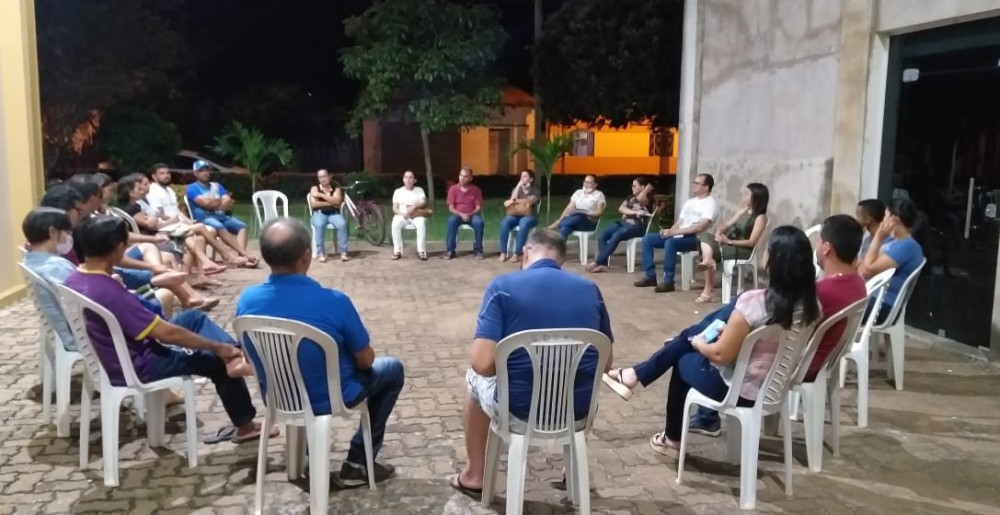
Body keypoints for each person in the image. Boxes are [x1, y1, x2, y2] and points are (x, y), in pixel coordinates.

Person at [604, 226, 821, 452]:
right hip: (774, 389)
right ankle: (637, 374)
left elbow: (720, 355)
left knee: (682, 356)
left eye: (767, 250)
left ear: (775, 262)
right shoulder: (813, 307)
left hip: (739, 391)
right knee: (690, 340)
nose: (764, 255)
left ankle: (671, 434)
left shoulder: (754, 302)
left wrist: (698, 343)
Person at [63, 215, 271, 443]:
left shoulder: (76, 278)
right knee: (216, 361)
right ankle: (245, 424)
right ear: (118, 247)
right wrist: (217, 347)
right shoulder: (108, 291)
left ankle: (236, 353)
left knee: (193, 317)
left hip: (118, 352)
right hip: (140, 363)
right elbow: (167, 333)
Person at [237, 218, 404, 487]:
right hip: (331, 399)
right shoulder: (334, 301)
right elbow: (365, 359)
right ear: (306, 256)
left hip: (279, 397)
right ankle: (358, 463)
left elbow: (250, 356)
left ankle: (300, 456)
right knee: (393, 369)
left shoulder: (247, 300)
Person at [449, 229, 614, 497]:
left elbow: (482, 364)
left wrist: (508, 366)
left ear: (526, 252)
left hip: (519, 411)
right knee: (578, 382)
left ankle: (475, 474)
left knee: (473, 379)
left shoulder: (502, 288)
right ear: (562, 260)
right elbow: (605, 364)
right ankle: (572, 471)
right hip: (576, 412)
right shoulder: (590, 290)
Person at [635, 173, 717, 293]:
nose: (693, 185)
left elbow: (700, 227)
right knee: (648, 239)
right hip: (679, 234)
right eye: (694, 183)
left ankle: (668, 281)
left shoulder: (711, 203)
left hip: (697, 239)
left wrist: (673, 234)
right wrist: (670, 231)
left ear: (706, 187)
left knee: (670, 243)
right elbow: (680, 221)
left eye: (697, 183)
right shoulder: (690, 202)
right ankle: (650, 276)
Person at [694, 183, 769, 303]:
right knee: (704, 236)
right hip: (729, 244)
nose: (743, 195)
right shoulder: (743, 210)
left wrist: (728, 241)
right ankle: (708, 262)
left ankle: (708, 289)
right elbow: (727, 225)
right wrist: (719, 232)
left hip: (743, 250)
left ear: (756, 197)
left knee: (707, 247)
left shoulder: (760, 217)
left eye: (747, 193)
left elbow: (751, 242)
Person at [858, 198, 925, 325]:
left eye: (885, 216)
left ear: (894, 219)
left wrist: (878, 236)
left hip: (883, 305)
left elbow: (868, 269)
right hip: (873, 298)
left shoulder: (907, 247)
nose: (883, 220)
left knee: (835, 305)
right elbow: (863, 269)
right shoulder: (893, 242)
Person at [184, 160, 258, 267]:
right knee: (219, 226)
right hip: (204, 218)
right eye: (201, 171)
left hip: (221, 216)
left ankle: (241, 257)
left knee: (242, 227)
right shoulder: (192, 188)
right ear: (195, 173)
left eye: (207, 170)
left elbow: (227, 201)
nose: (205, 173)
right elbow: (205, 203)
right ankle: (243, 255)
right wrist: (218, 202)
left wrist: (212, 203)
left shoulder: (217, 186)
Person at [587, 177, 654, 272]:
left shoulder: (648, 199)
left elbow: (641, 200)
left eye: (635, 186)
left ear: (642, 187)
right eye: (632, 186)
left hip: (637, 226)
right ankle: (603, 264)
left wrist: (646, 190)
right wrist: (634, 212)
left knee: (617, 235)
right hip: (624, 223)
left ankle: (598, 262)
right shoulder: (630, 197)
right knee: (603, 234)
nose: (632, 188)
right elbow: (621, 208)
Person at [497, 169, 540, 262]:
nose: (522, 179)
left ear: (531, 179)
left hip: (530, 217)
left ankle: (517, 253)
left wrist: (514, 201)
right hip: (515, 215)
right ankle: (503, 252)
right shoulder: (516, 189)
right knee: (505, 222)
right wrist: (517, 187)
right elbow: (513, 199)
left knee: (523, 222)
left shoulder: (535, 190)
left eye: (525, 176)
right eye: (521, 177)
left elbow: (530, 201)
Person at [308, 169, 350, 263]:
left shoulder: (336, 189)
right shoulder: (314, 188)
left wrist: (320, 196)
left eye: (324, 176)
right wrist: (331, 202)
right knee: (319, 225)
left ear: (329, 176)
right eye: (320, 177)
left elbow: (338, 202)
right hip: (319, 213)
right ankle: (321, 253)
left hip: (334, 214)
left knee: (342, 224)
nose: (322, 179)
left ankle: (343, 252)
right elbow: (314, 204)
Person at [444, 167, 484, 260]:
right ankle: (450, 250)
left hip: (472, 215)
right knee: (451, 221)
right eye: (461, 175)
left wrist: (469, 214)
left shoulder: (476, 190)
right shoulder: (453, 189)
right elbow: (451, 207)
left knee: (479, 223)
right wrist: (461, 214)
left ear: (470, 178)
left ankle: (478, 250)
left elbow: (478, 207)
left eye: (465, 176)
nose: (462, 178)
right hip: (457, 215)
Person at [548, 175, 606, 239]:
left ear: (595, 184)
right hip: (574, 221)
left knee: (579, 217)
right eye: (585, 182)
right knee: (565, 229)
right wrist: (560, 219)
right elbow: (569, 208)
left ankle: (557, 225)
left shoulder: (599, 195)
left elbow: (599, 212)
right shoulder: (578, 192)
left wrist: (587, 213)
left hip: (589, 222)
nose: (586, 184)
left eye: (589, 182)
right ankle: (559, 247)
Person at [390, 170, 429, 261]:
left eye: (410, 177)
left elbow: (423, 201)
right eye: (406, 177)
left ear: (415, 180)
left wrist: (414, 206)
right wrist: (403, 214)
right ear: (403, 179)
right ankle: (397, 251)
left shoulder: (419, 190)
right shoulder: (398, 191)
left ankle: (421, 251)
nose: (408, 179)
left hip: (416, 214)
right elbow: (395, 208)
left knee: (421, 223)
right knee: (395, 224)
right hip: (402, 215)